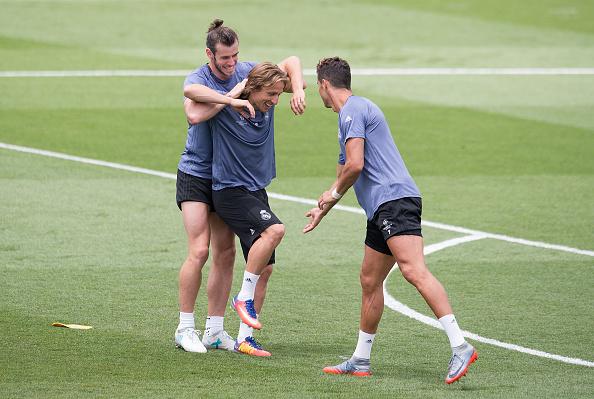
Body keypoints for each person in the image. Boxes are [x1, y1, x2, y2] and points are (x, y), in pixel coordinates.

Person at [303, 57, 477, 383]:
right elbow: (344, 170)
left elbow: (355, 166)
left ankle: (460, 345)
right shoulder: (347, 118)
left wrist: (334, 196)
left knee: (413, 270)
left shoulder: (355, 110)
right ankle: (360, 359)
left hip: (394, 201)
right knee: (369, 280)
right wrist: (323, 207)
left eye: (318, 87)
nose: (319, 94)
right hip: (380, 208)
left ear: (324, 85)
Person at [174, 19, 305, 355]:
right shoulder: (201, 77)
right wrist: (232, 98)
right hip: (197, 173)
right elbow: (192, 111)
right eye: (224, 59)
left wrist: (299, 88)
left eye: (235, 57)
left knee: (226, 253)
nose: (232, 65)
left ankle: (214, 331)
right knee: (199, 251)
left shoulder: (246, 71)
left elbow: (290, 63)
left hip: (227, 174)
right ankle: (184, 327)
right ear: (209, 55)